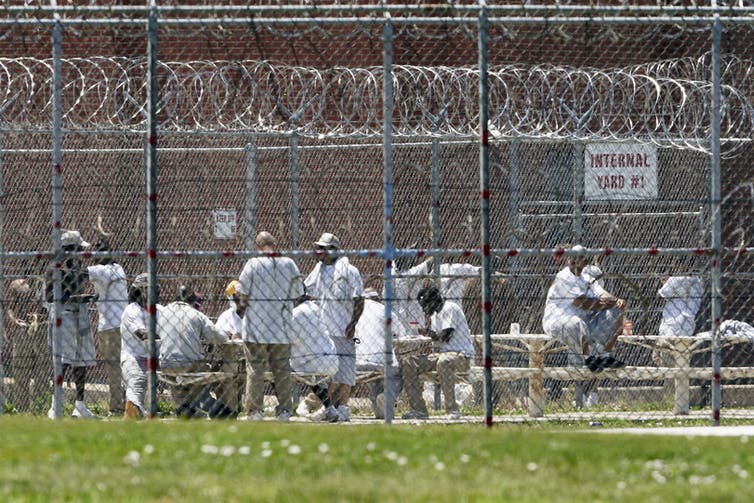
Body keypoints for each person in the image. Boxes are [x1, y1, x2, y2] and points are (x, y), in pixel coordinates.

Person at [236, 231, 303, 422]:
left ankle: (255, 411)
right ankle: (284, 411)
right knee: (282, 370)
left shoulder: (253, 264)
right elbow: (299, 292)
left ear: (257, 246)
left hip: (256, 328)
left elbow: (242, 293)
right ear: (275, 243)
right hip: (281, 327)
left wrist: (243, 311)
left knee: (255, 370)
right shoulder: (289, 264)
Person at [542, 244, 627, 379]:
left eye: (579, 258)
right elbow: (582, 303)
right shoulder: (563, 277)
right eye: (572, 257)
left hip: (584, 324)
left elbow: (603, 295)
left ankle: (605, 356)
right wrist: (600, 304)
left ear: (585, 262)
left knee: (617, 308)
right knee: (575, 323)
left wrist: (616, 301)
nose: (574, 260)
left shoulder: (587, 279)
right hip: (558, 322)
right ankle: (589, 359)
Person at [304, 232, 364, 422]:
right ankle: (328, 408)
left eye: (322, 248)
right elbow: (307, 289)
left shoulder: (349, 270)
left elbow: (359, 299)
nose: (319, 251)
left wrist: (352, 324)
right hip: (323, 330)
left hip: (343, 329)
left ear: (333, 250)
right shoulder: (318, 269)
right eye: (318, 248)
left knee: (345, 371)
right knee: (326, 373)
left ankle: (343, 408)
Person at [45, 229, 99, 419]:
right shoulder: (55, 269)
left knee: (81, 360)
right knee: (63, 361)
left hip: (80, 314)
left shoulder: (78, 267)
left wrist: (84, 298)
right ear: (70, 249)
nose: (80, 252)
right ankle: (55, 404)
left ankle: (80, 405)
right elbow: (49, 296)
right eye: (78, 248)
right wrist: (78, 297)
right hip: (64, 316)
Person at [399, 285, 474, 420]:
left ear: (433, 302)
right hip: (443, 354)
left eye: (425, 306)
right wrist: (426, 335)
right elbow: (438, 340)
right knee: (408, 362)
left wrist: (428, 333)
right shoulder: (435, 316)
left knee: (443, 362)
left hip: (461, 355)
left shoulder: (449, 308)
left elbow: (445, 336)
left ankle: (452, 410)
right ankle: (419, 410)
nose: (424, 310)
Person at [158, 285, 229, 418]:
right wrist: (227, 335)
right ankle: (214, 408)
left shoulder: (164, 312)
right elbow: (216, 336)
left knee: (177, 384)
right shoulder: (196, 314)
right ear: (191, 300)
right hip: (191, 364)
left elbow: (157, 332)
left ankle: (183, 408)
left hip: (167, 364)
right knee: (199, 381)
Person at [86, 239, 128, 415]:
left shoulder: (100, 271)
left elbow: (78, 272)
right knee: (126, 366)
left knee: (113, 368)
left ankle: (117, 408)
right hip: (125, 324)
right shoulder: (118, 268)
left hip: (110, 327)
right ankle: (131, 404)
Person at [355, 288, 404, 420]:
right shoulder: (384, 310)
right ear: (377, 298)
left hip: (357, 362)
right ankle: (386, 396)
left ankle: (379, 408)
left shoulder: (354, 311)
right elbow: (401, 333)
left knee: (374, 378)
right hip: (382, 359)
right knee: (397, 375)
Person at [290, 294, 340, 422]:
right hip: (331, 360)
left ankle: (285, 408)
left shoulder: (295, 314)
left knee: (276, 368)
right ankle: (330, 409)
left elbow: (287, 338)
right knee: (314, 377)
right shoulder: (317, 308)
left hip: (311, 362)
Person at [5, 277, 51, 413]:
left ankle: (42, 406)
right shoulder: (17, 284)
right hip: (23, 331)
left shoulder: (46, 283)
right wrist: (15, 322)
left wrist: (41, 317)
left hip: (41, 329)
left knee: (42, 370)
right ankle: (21, 408)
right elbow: (9, 308)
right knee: (21, 370)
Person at [120, 273, 157, 419]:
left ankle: (187, 407)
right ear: (141, 291)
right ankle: (133, 410)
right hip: (134, 358)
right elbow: (142, 334)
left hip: (157, 357)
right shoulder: (132, 310)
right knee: (138, 379)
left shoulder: (158, 309)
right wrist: (163, 335)